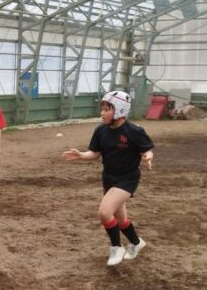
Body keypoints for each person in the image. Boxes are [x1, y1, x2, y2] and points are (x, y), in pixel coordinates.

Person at [62, 91, 154, 267]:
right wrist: (81, 155)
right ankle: (136, 243)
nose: (102, 113)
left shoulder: (134, 131)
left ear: (120, 110)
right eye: (102, 109)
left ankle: (116, 247)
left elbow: (146, 150)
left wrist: (148, 157)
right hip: (109, 178)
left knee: (104, 212)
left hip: (127, 179)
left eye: (107, 109)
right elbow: (95, 153)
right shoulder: (100, 131)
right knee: (121, 220)